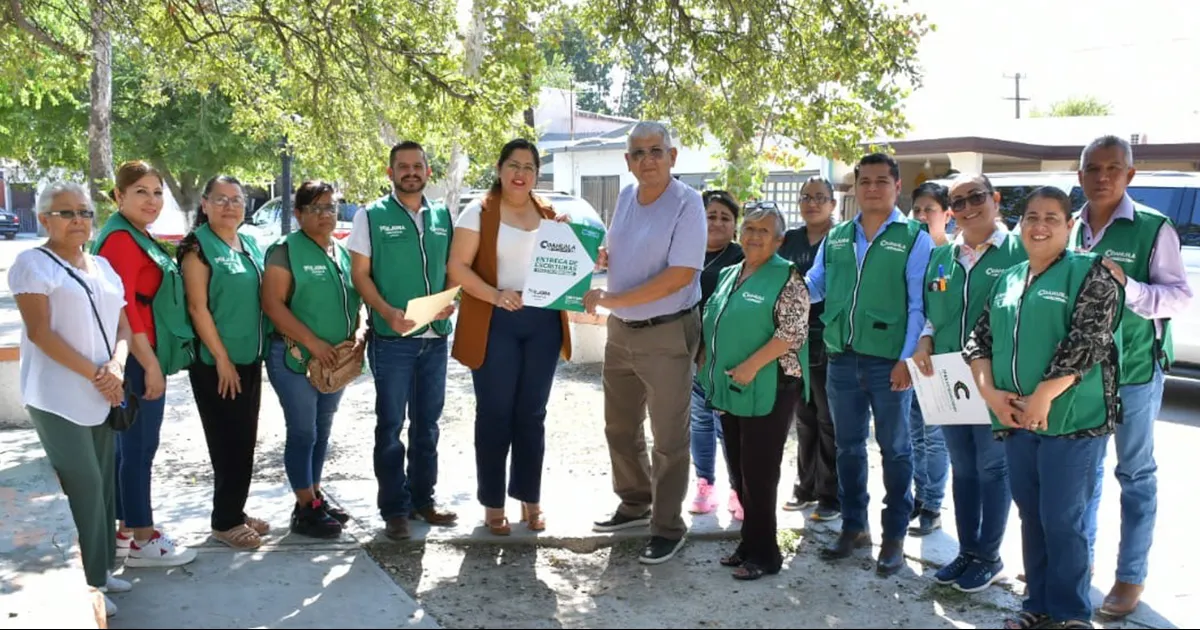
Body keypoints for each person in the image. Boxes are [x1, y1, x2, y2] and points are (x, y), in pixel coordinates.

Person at [963, 186, 1122, 630]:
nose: (1040, 225)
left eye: (1052, 217)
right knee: (1031, 515)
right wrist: (990, 394)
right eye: (1032, 216)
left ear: (1070, 227)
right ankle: (1037, 604)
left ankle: (1071, 613)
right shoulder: (1008, 279)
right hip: (1014, 418)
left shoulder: (1091, 274)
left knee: (1063, 519)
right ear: (1020, 224)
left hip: (1072, 421)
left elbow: (1086, 342)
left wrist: (1043, 397)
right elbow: (979, 340)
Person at [1073, 136, 1194, 619]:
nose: (1102, 177)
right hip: (1075, 378)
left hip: (1133, 373)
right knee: (1083, 475)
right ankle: (1076, 563)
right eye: (1093, 168)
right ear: (1079, 174)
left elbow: (1181, 297)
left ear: (1130, 175)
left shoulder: (1152, 227)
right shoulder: (1068, 225)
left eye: (1113, 168)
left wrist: (1130, 289)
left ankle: (1130, 577)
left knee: (1135, 474)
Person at [11, 182, 136, 616]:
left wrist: (117, 367)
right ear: (44, 219)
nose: (78, 220)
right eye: (66, 213)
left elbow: (123, 328)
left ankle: (100, 573)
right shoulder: (32, 265)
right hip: (57, 394)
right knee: (83, 483)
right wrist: (98, 375)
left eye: (84, 212)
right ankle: (86, 584)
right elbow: (41, 333)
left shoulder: (101, 266)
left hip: (104, 391)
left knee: (104, 485)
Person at [805, 153, 933, 576]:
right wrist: (776, 285)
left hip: (888, 364)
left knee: (896, 450)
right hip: (842, 358)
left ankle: (893, 536)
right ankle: (855, 528)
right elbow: (815, 286)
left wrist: (905, 360)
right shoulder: (838, 236)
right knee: (847, 448)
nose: (872, 188)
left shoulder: (915, 237)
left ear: (898, 187)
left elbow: (918, 305)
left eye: (882, 181)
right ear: (855, 188)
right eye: (865, 182)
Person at [584, 121, 706, 565]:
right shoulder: (623, 197)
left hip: (667, 330)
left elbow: (681, 274)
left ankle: (668, 525)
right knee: (619, 426)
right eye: (639, 152)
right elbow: (623, 249)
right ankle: (636, 503)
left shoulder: (688, 203)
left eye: (657, 151)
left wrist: (613, 298)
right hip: (621, 332)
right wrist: (603, 256)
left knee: (669, 437)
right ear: (628, 161)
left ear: (673, 157)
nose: (648, 159)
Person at [449, 138, 573, 535]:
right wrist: (496, 296)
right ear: (500, 169)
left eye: (529, 167)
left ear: (537, 175)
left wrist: (585, 253)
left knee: (532, 415)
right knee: (495, 414)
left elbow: (570, 269)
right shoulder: (479, 212)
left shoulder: (552, 215)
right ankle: (493, 503)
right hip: (494, 320)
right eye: (514, 165)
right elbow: (458, 269)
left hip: (543, 324)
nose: (521, 174)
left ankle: (530, 501)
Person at [911, 174, 1024, 593]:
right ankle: (968, 550)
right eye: (957, 202)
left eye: (976, 197)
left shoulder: (1018, 252)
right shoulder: (944, 257)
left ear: (995, 199)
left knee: (993, 468)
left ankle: (990, 556)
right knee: (964, 468)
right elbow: (931, 311)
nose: (967, 207)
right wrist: (924, 342)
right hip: (948, 376)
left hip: (994, 377)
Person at [348, 140, 457, 540]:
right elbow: (360, 274)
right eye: (403, 166)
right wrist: (387, 313)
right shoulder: (371, 216)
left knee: (427, 425)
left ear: (428, 171)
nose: (411, 172)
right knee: (391, 425)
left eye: (418, 165)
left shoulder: (442, 214)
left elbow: (453, 267)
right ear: (390, 172)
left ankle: (422, 500)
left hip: (435, 339)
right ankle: (394, 508)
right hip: (393, 339)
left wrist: (450, 299)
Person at [92, 161, 197, 567]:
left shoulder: (135, 233)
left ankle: (124, 532)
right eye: (141, 191)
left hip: (140, 355)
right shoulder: (120, 238)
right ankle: (142, 537)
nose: (152, 200)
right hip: (136, 358)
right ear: (119, 196)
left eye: (157, 192)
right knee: (138, 448)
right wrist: (150, 364)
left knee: (130, 448)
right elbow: (125, 310)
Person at [700, 203, 809, 581]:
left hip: (769, 384)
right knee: (740, 470)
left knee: (760, 473)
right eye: (749, 228)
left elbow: (792, 334)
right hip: (732, 385)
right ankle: (749, 543)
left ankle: (766, 555)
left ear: (779, 239)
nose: (754, 236)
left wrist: (750, 366)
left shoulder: (787, 277)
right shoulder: (731, 273)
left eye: (764, 231)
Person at [262, 180, 365, 539]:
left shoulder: (342, 252)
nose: (326, 215)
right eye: (316, 208)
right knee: (303, 431)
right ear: (299, 213)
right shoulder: (285, 250)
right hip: (294, 358)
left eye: (331, 207)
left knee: (322, 430)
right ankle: (306, 508)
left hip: (333, 364)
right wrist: (313, 342)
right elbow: (272, 304)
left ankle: (314, 494)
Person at [176, 175, 269, 549]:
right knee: (227, 441)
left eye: (236, 199)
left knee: (245, 439)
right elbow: (198, 308)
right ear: (205, 204)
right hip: (217, 363)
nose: (230, 206)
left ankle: (236, 509)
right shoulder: (197, 248)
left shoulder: (247, 244)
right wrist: (221, 359)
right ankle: (225, 521)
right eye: (221, 199)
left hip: (250, 357)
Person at [778, 176, 840, 522]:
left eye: (819, 197)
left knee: (830, 420)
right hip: (792, 342)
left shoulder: (842, 239)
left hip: (829, 340)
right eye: (806, 197)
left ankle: (831, 494)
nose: (812, 203)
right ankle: (806, 488)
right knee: (803, 418)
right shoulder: (790, 240)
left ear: (833, 204)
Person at [688, 189, 744, 517]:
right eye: (711, 215)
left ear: (734, 226)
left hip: (728, 358)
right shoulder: (686, 252)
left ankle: (738, 489)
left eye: (725, 217)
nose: (718, 222)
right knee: (700, 422)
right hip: (692, 356)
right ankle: (704, 484)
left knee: (729, 425)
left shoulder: (741, 257)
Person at [906, 181, 952, 536]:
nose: (922, 217)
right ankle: (917, 498)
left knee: (935, 435)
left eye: (930, 210)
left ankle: (932, 504)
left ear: (947, 216)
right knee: (913, 433)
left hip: (940, 358)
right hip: (906, 355)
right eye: (917, 209)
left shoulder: (951, 256)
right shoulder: (908, 250)